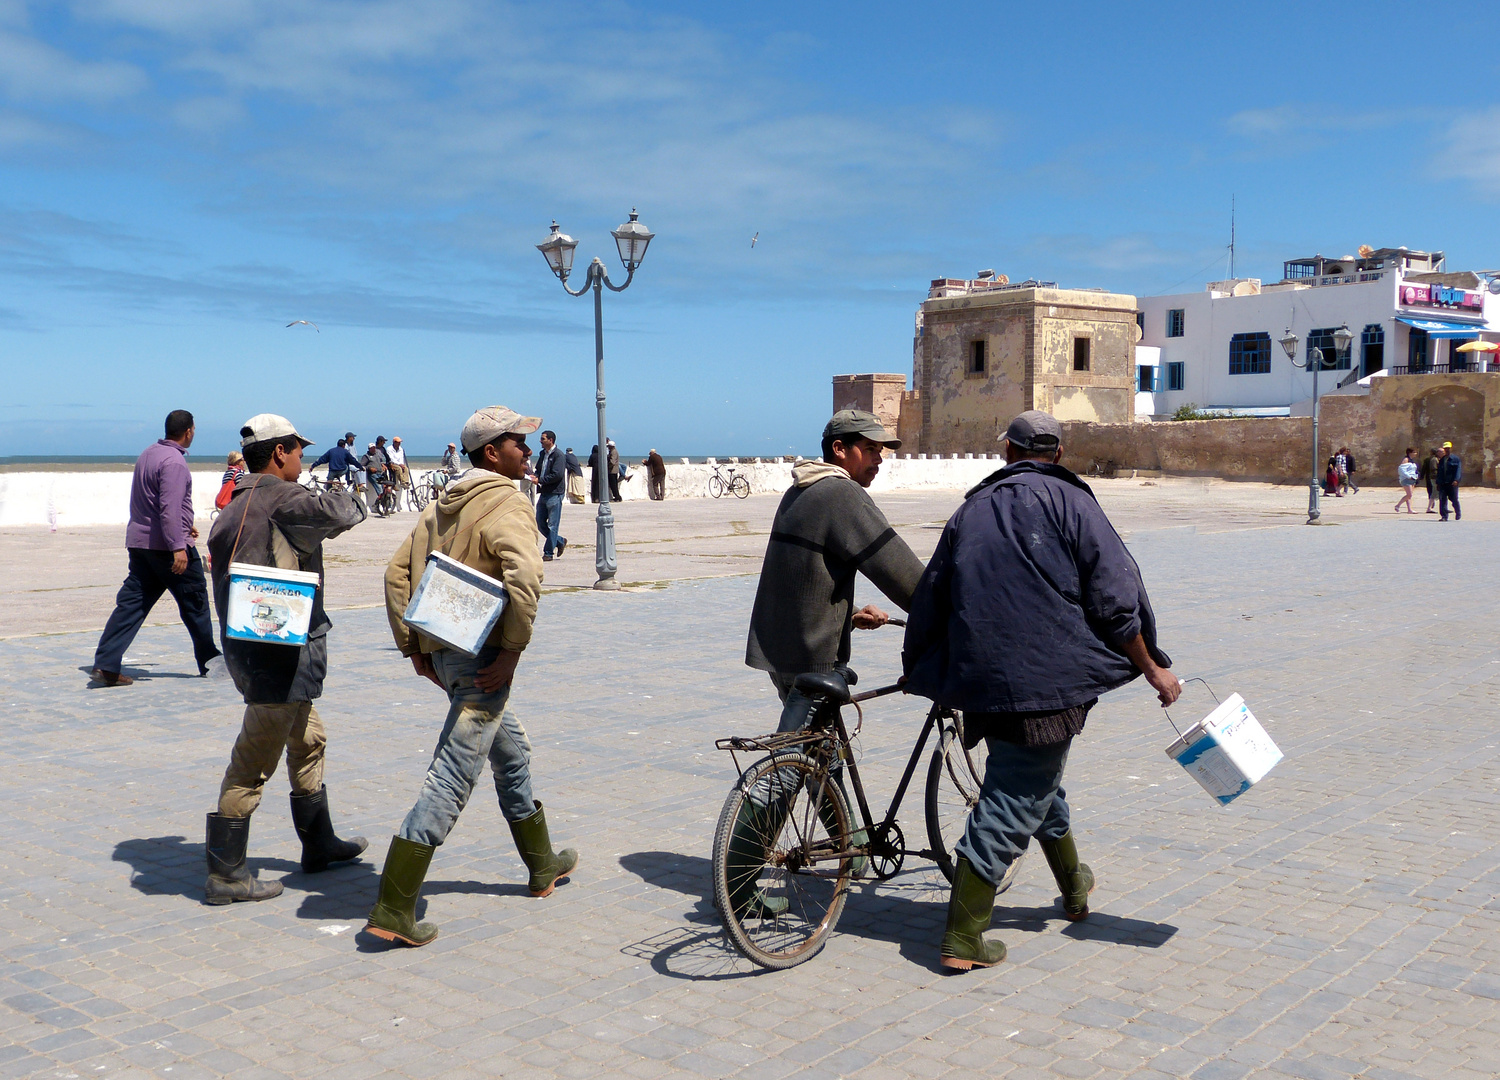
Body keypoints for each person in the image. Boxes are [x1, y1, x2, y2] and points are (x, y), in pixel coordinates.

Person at [901, 410, 1179, 971]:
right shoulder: (1074, 503)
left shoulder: (972, 509)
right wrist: (1151, 667)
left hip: (984, 680)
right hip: (1047, 683)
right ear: (1057, 452)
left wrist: (924, 666)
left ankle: (1074, 885)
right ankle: (963, 937)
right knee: (1015, 795)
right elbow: (1114, 595)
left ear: (1008, 452)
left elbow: (933, 593)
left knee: (1033, 777)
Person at [369, 405, 577, 947]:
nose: (527, 452)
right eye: (518, 443)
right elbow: (525, 576)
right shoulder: (506, 500)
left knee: (512, 750)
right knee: (454, 770)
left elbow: (395, 574)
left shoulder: (443, 503)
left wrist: (414, 648)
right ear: (492, 452)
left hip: (445, 648)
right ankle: (394, 906)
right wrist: (513, 648)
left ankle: (542, 863)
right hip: (485, 654)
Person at [731, 410, 925, 918]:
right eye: (872, 448)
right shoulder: (840, 494)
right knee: (787, 769)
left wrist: (845, 612)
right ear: (840, 449)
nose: (880, 458)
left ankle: (852, 848)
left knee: (823, 754)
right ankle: (739, 881)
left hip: (782, 648)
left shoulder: (801, 489)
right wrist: (951, 611)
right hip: (814, 657)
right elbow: (902, 573)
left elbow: (809, 573)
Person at [203, 414, 369, 905]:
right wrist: (342, 487)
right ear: (280, 452)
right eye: (298, 450)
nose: (302, 458)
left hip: (252, 652)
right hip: (282, 656)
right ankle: (227, 876)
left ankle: (318, 844)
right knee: (253, 762)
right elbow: (345, 512)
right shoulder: (284, 498)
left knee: (310, 738)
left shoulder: (233, 508)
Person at [90, 409, 221, 687]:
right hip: (166, 547)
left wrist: (185, 526)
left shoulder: (148, 454)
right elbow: (168, 508)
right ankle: (210, 661)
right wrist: (178, 545)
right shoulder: (174, 463)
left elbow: (152, 503)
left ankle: (106, 663)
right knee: (195, 601)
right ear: (189, 431)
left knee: (131, 604)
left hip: (141, 543)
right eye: (194, 429)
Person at [533, 430, 568, 561]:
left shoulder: (559, 455)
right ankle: (559, 541)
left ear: (551, 440)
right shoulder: (543, 454)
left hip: (555, 493)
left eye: (543, 439)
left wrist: (541, 480)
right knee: (540, 522)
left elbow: (557, 474)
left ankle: (548, 553)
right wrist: (535, 476)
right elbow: (538, 469)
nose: (540, 441)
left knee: (553, 524)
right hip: (544, 492)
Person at [1437, 441, 1462, 521]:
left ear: (1451, 449)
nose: (1447, 450)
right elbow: (1440, 472)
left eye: (1448, 448)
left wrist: (1456, 480)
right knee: (1442, 499)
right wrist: (1438, 482)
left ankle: (1458, 512)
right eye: (1445, 448)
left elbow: (1458, 470)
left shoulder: (1455, 459)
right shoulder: (1442, 460)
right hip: (1443, 483)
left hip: (1452, 483)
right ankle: (1444, 516)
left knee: (1453, 499)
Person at [1395, 448, 1419, 514]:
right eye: (1414, 452)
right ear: (1409, 453)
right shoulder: (1406, 459)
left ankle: (1410, 509)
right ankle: (1398, 505)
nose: (1416, 453)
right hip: (1406, 479)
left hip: (1413, 479)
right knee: (1409, 494)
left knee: (1410, 495)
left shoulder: (1412, 461)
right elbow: (1401, 469)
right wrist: (1408, 476)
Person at [1421, 447, 1440, 513]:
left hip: (1429, 477)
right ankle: (1432, 502)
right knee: (1434, 490)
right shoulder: (1436, 459)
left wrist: (1422, 476)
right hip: (1434, 477)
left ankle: (1432, 501)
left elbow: (1423, 469)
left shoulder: (1427, 459)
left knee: (1430, 490)